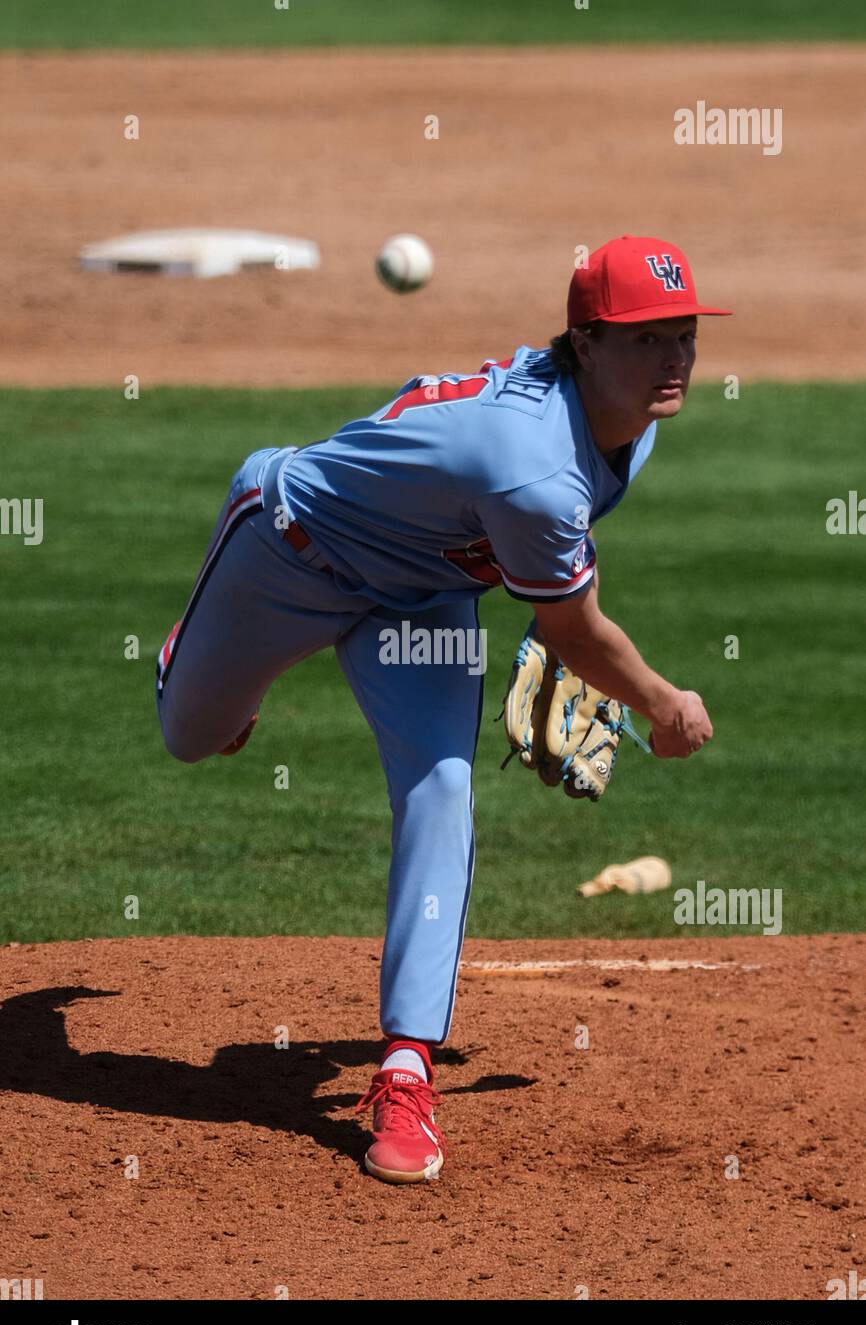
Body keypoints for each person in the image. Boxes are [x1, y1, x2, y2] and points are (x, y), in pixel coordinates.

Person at [156, 234, 728, 1184]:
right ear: (584, 343)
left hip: (420, 602)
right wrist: (665, 708)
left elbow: (562, 558)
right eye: (643, 339)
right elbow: (576, 619)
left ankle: (406, 1069)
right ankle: (199, 650)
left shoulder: (629, 419)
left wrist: (557, 622)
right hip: (290, 549)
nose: (672, 360)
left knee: (445, 791)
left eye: (682, 336)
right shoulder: (528, 456)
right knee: (192, 736)